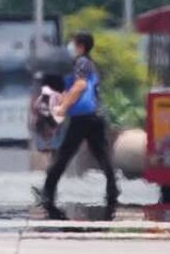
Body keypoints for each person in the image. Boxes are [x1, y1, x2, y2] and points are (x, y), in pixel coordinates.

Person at [39, 32, 119, 219]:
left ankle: (47, 193)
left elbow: (80, 86)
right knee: (102, 156)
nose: (70, 46)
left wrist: (64, 107)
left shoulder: (81, 62)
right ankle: (113, 193)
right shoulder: (88, 63)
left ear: (81, 46)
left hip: (83, 117)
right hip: (94, 116)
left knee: (63, 155)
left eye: (72, 43)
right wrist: (60, 104)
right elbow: (74, 88)